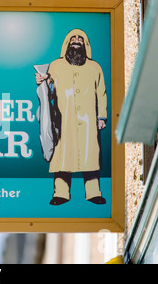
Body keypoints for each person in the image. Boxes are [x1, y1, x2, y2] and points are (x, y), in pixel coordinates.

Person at [35, 29, 107, 205]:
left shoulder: (95, 67)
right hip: (63, 119)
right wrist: (42, 81)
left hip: (88, 120)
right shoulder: (55, 66)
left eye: (80, 39)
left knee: (90, 155)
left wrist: (102, 117)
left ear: (85, 44)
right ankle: (61, 193)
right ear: (67, 43)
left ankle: (93, 192)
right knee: (62, 156)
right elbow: (47, 92)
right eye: (72, 38)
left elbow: (102, 93)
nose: (76, 41)